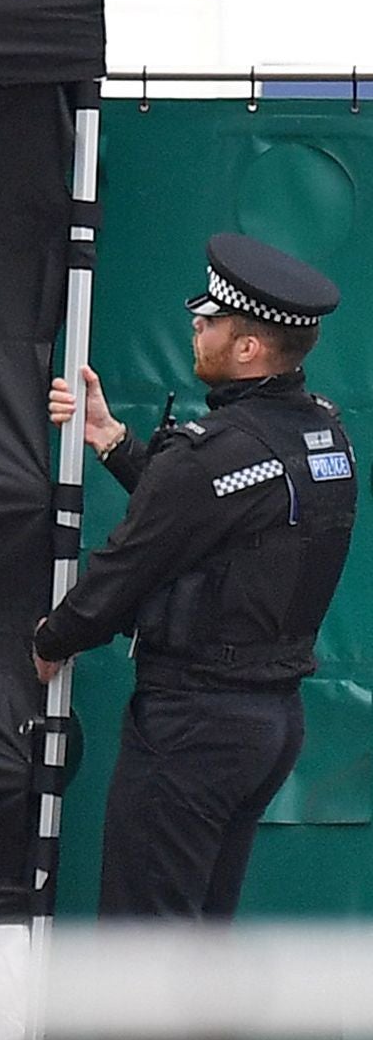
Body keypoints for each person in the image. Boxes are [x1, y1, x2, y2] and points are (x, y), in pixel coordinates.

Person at [39, 232, 356, 932]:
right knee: (196, 957)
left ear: (247, 348)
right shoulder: (323, 433)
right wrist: (114, 441)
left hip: (194, 726)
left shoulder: (216, 452)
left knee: (146, 959)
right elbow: (212, 511)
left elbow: (130, 563)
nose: (195, 327)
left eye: (208, 321)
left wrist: (51, 639)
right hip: (269, 722)